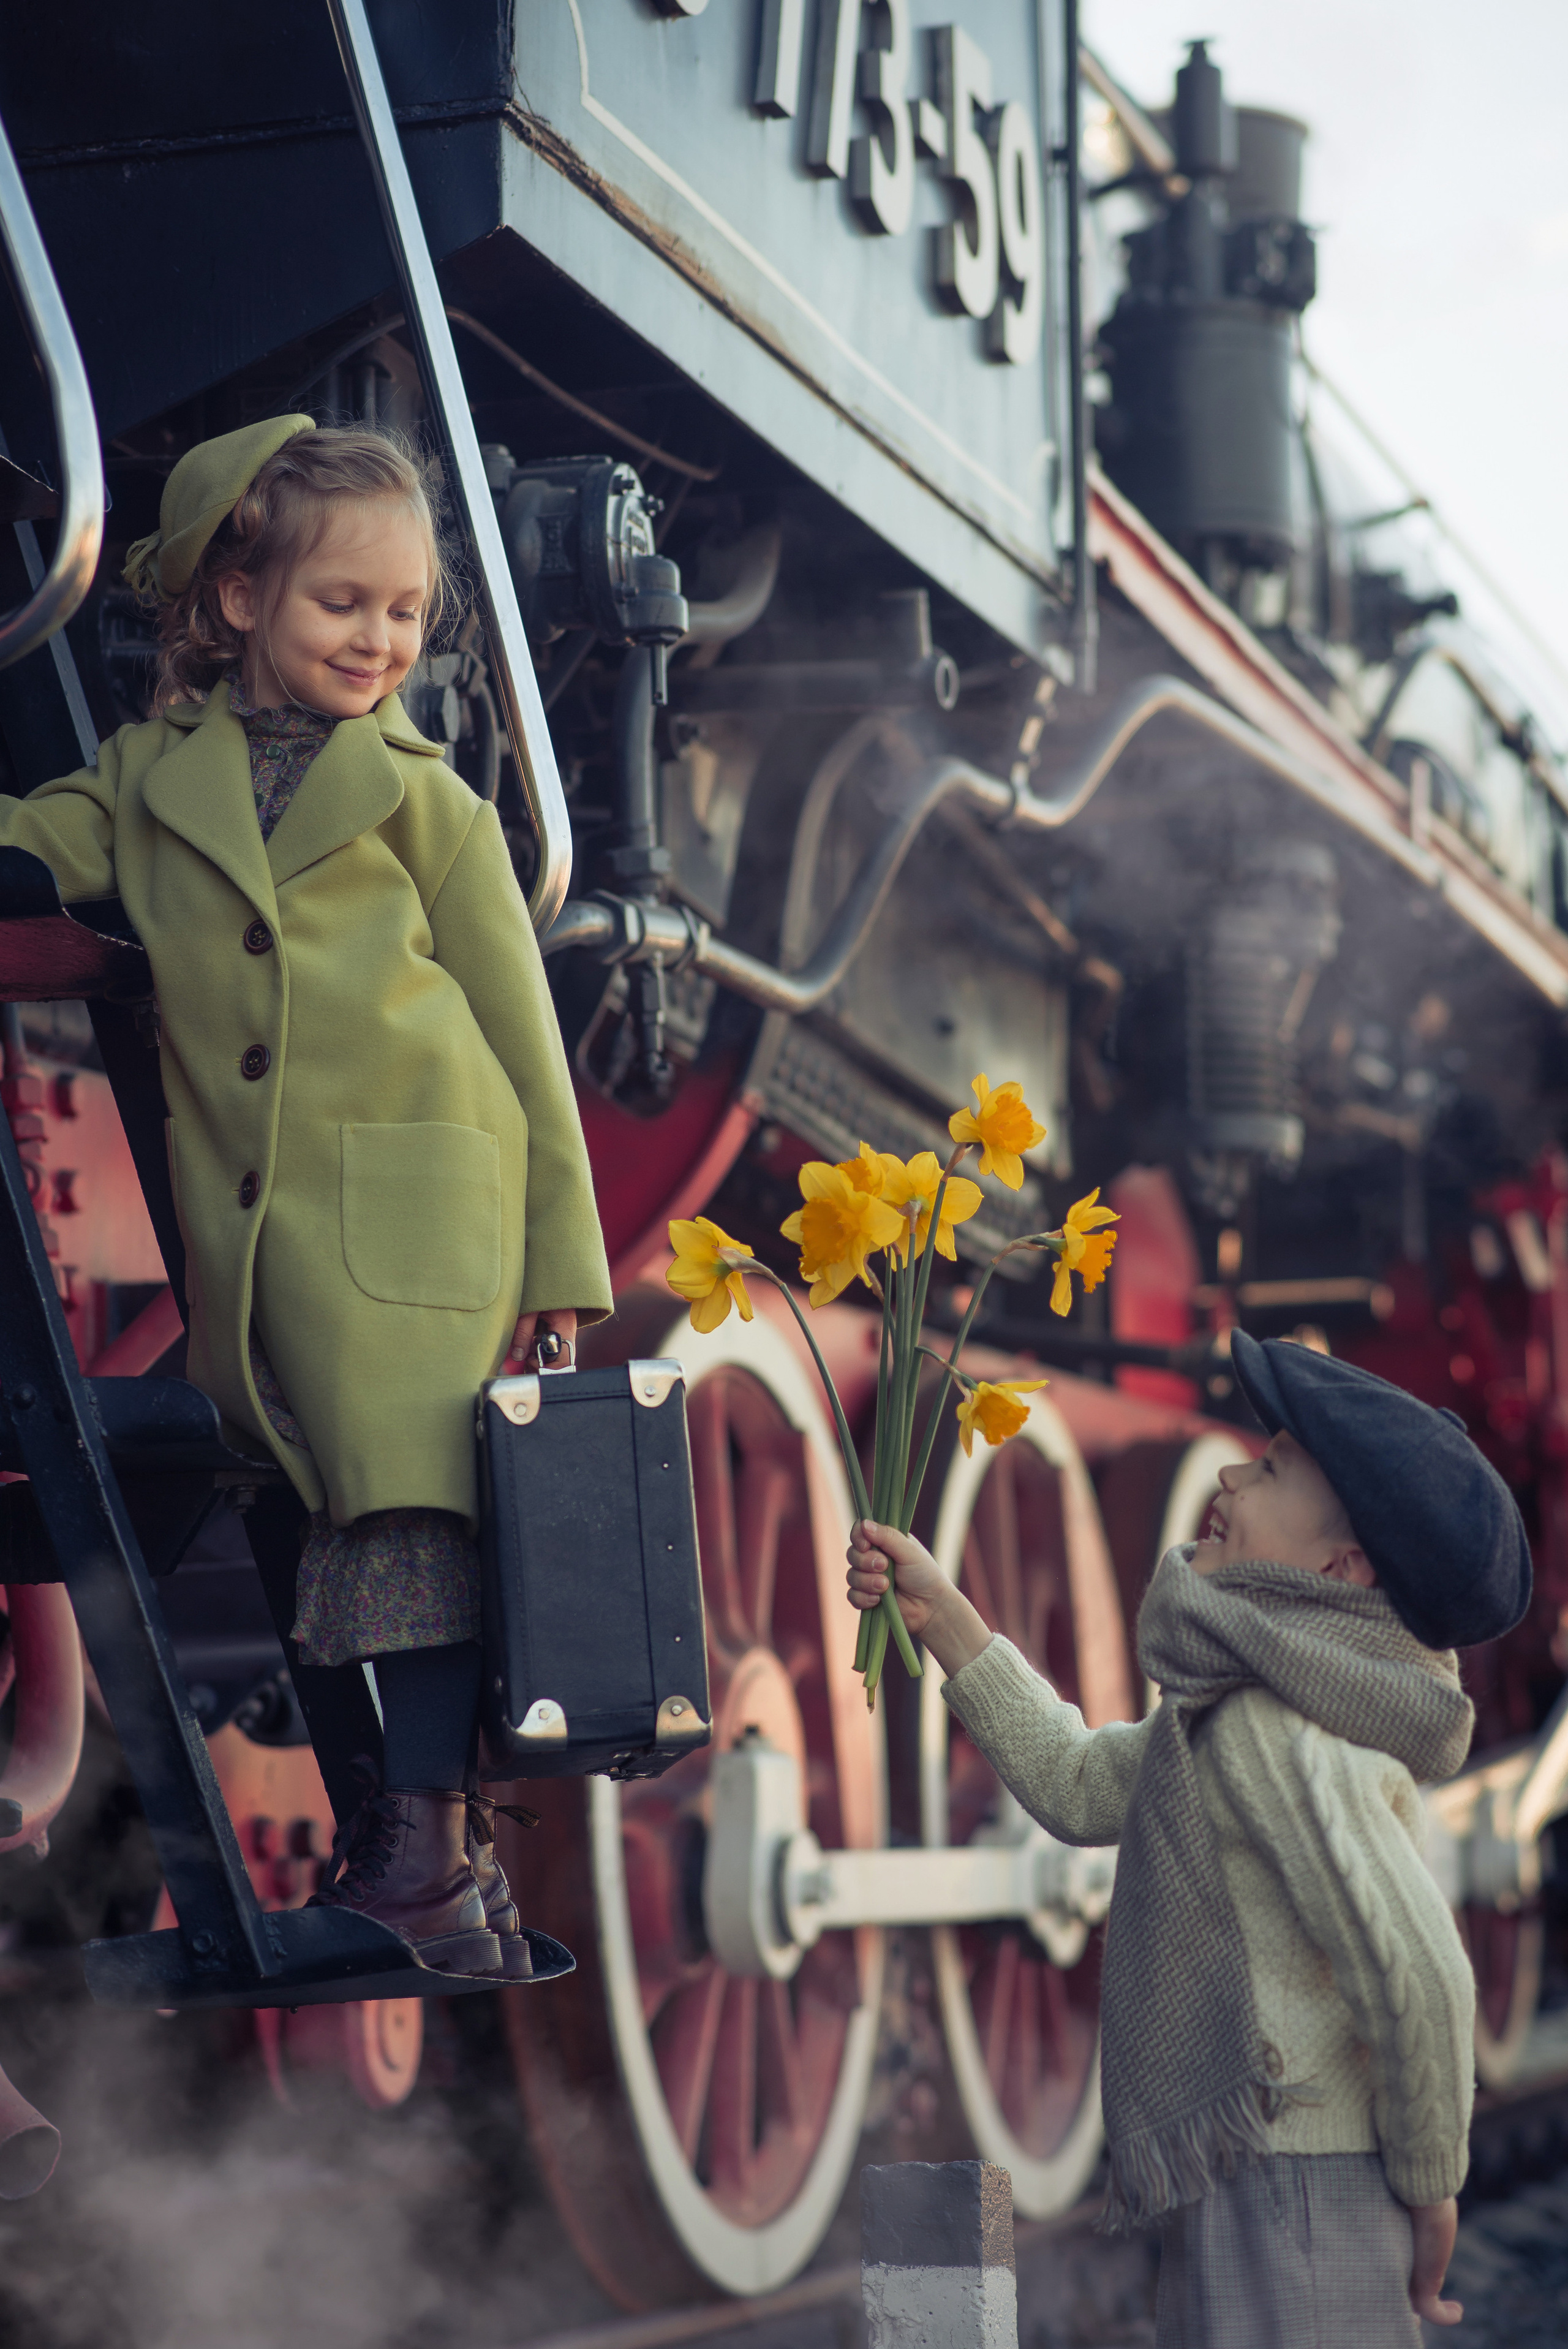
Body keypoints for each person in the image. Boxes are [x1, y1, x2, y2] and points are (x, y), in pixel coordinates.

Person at [0, 415, 612, 1976]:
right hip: (267, 1242)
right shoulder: (147, 784)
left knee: (405, 1523)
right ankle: (434, 1867)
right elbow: (35, 846)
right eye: (344, 604)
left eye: (406, 613)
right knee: (303, 1537)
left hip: (422, 1212)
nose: (381, 639)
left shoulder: (427, 802)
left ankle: (415, 1849)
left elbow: (521, 1043)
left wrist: (561, 1262)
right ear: (234, 602)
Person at [848, 1331, 1533, 2346]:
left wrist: (1436, 2184)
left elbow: (1421, 1971)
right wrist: (949, 1620)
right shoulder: (1232, 1715)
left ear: (1338, 1567)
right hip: (1263, 2171)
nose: (1227, 1470)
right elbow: (1081, 1783)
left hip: (1297, 2181)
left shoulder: (1276, 1733)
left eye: (1269, 1471)